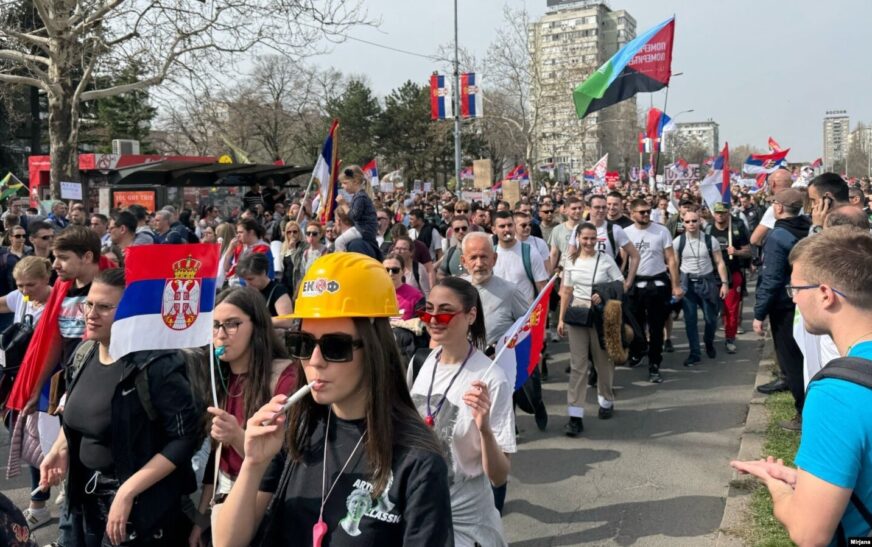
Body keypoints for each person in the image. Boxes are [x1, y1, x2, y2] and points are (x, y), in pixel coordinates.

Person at [212, 253, 452, 546]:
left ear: (375, 350)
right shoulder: (295, 430)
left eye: (334, 347)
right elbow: (227, 542)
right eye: (301, 343)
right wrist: (252, 463)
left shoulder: (416, 460)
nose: (314, 361)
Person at [39, 268, 201, 546]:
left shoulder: (157, 365)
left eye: (104, 307)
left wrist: (128, 491)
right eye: (89, 304)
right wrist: (59, 448)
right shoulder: (83, 353)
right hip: (85, 501)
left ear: (130, 313)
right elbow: (80, 414)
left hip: (140, 510)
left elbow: (184, 438)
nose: (91, 314)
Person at [732, 227, 872, 545]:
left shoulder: (836, 395)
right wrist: (808, 483)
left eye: (796, 288)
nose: (792, 297)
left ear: (825, 294)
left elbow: (809, 533)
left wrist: (778, 486)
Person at [409, 276, 515, 546]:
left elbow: (499, 475)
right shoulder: (422, 361)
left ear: (470, 316)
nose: (433, 319)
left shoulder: (491, 379)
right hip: (418, 509)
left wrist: (484, 430)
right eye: (427, 309)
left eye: (445, 312)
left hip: (466, 525)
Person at [189, 286, 296, 547]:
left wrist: (238, 436)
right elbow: (218, 455)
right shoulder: (218, 377)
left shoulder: (285, 378)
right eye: (215, 326)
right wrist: (201, 518)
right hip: (222, 493)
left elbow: (283, 461)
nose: (221, 335)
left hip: (261, 496)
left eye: (232, 325)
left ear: (257, 326)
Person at [0, 257, 54, 529]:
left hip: (47, 385)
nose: (24, 291)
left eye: (30, 285)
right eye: (19, 285)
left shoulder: (59, 304)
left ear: (46, 278)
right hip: (18, 383)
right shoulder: (20, 298)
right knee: (28, 443)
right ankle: (42, 499)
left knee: (42, 444)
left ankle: (39, 505)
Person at [558, 223, 625, 435]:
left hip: (599, 316)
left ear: (598, 239)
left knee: (602, 361)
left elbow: (620, 283)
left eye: (592, 238)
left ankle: (606, 400)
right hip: (577, 315)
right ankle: (575, 415)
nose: (588, 242)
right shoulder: (570, 260)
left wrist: (603, 293)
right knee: (578, 366)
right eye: (585, 238)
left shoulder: (605, 260)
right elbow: (566, 290)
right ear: (577, 238)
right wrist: (561, 319)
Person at [624, 198, 683, 383]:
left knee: (657, 327)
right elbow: (622, 261)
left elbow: (671, 259)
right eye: (641, 212)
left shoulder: (661, 230)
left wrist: (675, 285)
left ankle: (654, 364)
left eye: (648, 211)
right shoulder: (625, 233)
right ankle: (639, 350)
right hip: (636, 285)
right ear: (632, 213)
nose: (645, 215)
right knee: (635, 327)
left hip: (657, 284)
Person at [674, 209, 729, 366]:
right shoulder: (678, 242)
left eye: (694, 221)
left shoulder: (710, 240)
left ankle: (709, 341)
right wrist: (675, 285)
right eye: (687, 221)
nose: (691, 224)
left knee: (710, 319)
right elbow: (675, 264)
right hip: (687, 284)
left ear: (700, 221)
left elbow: (719, 262)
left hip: (707, 282)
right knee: (690, 320)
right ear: (683, 223)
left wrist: (724, 284)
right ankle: (694, 352)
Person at [706, 202, 752, 354]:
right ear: (714, 214)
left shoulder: (737, 228)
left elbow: (748, 251)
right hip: (712, 275)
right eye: (717, 212)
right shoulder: (708, 230)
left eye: (723, 212)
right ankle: (709, 339)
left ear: (728, 213)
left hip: (733, 274)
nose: (720, 215)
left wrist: (736, 252)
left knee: (731, 309)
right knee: (711, 310)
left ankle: (730, 338)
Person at [492, 211, 548, 306]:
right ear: (494, 230)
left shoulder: (530, 252)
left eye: (510, 225)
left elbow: (542, 288)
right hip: (500, 315)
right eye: (502, 226)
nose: (507, 229)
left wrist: (542, 319)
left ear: (514, 226)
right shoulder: (490, 254)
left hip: (525, 316)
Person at [236, 253, 294, 329]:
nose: (247, 283)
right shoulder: (248, 292)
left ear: (263, 273)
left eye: (251, 279)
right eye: (245, 280)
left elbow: (287, 320)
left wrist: (255, 322)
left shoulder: (278, 291)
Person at [334, 166, 379, 251]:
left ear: (355, 181)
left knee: (339, 242)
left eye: (345, 183)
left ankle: (344, 261)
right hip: (363, 228)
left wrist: (343, 205)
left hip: (363, 230)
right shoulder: (358, 196)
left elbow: (354, 216)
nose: (343, 186)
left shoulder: (360, 197)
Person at [223, 218, 274, 284]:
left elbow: (268, 275)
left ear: (251, 232)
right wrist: (230, 249)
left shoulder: (264, 249)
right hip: (234, 284)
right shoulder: (239, 247)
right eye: (237, 232)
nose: (237, 235)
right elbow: (226, 268)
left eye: (241, 232)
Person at [384, 253, 423, 321]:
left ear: (403, 271)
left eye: (395, 270)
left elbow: (421, 325)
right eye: (386, 270)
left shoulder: (416, 296)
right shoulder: (374, 295)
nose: (390, 274)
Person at [276, 220, 307, 299]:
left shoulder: (304, 246)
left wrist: (293, 249)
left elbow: (298, 264)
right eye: (289, 232)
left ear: (299, 232)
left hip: (297, 281)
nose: (292, 234)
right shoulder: (283, 246)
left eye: (294, 232)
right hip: (285, 281)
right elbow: (281, 266)